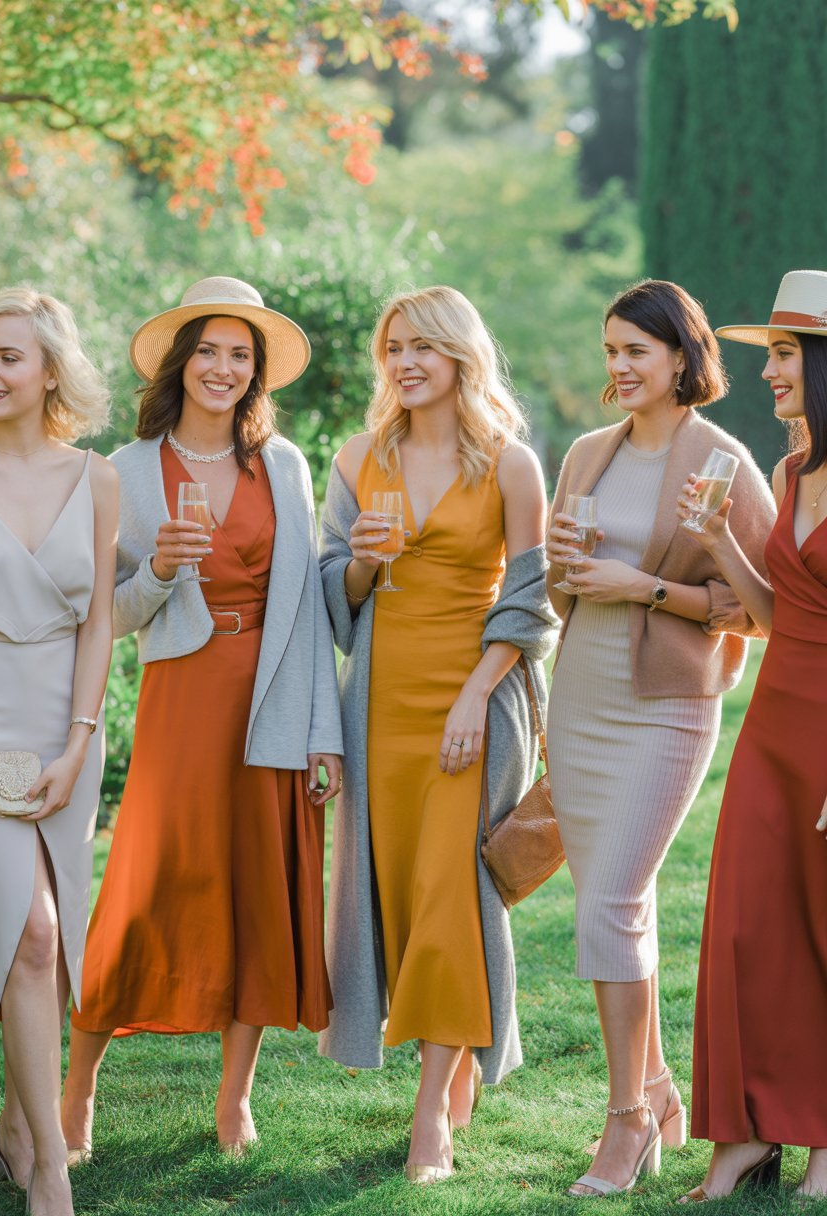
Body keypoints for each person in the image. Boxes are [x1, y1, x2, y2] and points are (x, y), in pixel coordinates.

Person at [60, 277, 343, 1160]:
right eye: (209, 351)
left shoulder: (284, 465)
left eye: (240, 355)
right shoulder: (126, 471)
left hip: (271, 695)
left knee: (258, 893)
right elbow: (109, 612)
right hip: (182, 700)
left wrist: (322, 733)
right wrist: (160, 573)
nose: (223, 368)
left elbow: (307, 613)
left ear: (255, 373)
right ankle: (76, 1093)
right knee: (146, 884)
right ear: (181, 363)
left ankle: (234, 1100)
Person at [318, 285, 555, 1182]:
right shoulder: (357, 456)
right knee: (405, 896)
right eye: (393, 349)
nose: (406, 363)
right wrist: (368, 562)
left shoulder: (509, 464)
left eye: (424, 346)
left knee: (456, 896)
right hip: (378, 705)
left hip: (476, 705)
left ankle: (431, 1125)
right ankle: (449, 1071)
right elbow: (332, 589)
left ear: (461, 355)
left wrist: (473, 698)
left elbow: (530, 601)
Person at [545, 279, 776, 1198]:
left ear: (682, 357)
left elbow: (759, 609)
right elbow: (563, 583)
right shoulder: (586, 453)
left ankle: (629, 1122)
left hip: (667, 707)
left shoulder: (722, 460)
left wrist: (640, 588)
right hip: (583, 694)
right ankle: (662, 1091)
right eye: (610, 351)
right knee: (611, 908)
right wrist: (567, 564)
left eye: (636, 351)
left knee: (610, 902)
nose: (620, 367)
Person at [678, 269, 827, 1203]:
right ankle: (744, 1134)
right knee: (750, 929)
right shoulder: (787, 471)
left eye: (780, 355)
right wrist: (722, 544)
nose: (768, 373)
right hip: (775, 726)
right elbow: (782, 615)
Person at [0, 288, 117, 1216]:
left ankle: (17, 1113)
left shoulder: (98, 477)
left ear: (49, 372)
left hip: (65, 729)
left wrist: (79, 747)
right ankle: (49, 1166)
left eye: (8, 356)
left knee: (47, 943)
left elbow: (100, 623)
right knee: (29, 934)